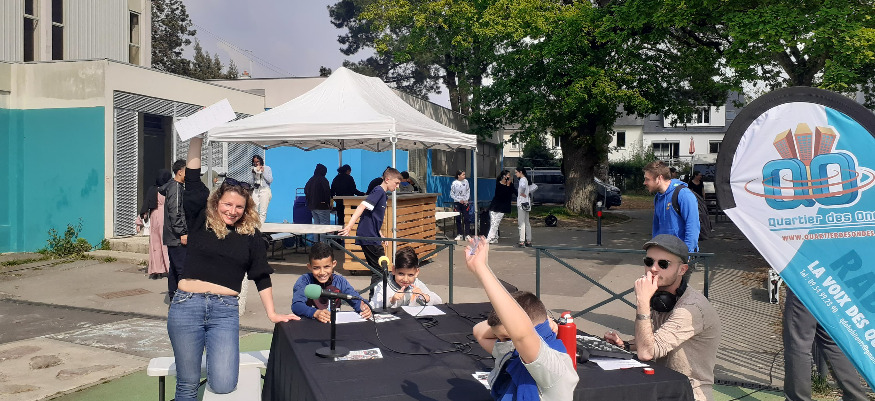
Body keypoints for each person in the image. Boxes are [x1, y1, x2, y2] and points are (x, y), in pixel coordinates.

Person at [167, 137, 298, 401]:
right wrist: (196, 139)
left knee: (224, 384)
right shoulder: (201, 220)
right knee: (187, 384)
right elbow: (192, 177)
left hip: (224, 312)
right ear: (217, 202)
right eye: (227, 204)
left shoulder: (251, 236)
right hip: (186, 306)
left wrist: (272, 313)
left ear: (247, 208)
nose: (233, 211)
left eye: (239, 206)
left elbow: (261, 275)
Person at [603, 234, 720, 401]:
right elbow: (654, 339)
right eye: (649, 261)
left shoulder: (691, 308)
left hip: (689, 392)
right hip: (663, 384)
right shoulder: (659, 296)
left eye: (663, 264)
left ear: (682, 270)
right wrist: (626, 345)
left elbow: (647, 353)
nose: (653, 268)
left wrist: (642, 302)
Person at [466, 237, 579, 399]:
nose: (501, 343)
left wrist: (481, 269)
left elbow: (521, 335)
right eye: (500, 338)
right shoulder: (512, 352)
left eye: (507, 338)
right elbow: (479, 332)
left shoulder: (553, 368)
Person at [783, 289, 868, 401]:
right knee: (831, 342)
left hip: (805, 284)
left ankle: (798, 398)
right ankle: (855, 397)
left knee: (798, 343)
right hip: (830, 289)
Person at [339, 167, 402, 299]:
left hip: (373, 235)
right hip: (368, 236)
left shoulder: (383, 194)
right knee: (380, 270)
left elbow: (372, 216)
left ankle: (376, 297)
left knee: (379, 269)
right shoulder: (378, 191)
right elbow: (362, 206)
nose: (397, 187)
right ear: (387, 179)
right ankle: (374, 298)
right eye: (396, 183)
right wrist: (349, 226)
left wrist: (380, 234)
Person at [291, 242, 372, 322]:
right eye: (316, 268)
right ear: (309, 266)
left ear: (334, 264)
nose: (322, 272)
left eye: (326, 267)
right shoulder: (305, 281)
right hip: (310, 325)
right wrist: (314, 313)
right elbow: (296, 306)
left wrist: (364, 308)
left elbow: (356, 299)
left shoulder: (340, 281)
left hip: (333, 324)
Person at [643, 161, 700, 253]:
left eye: (647, 179)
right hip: (664, 252)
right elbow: (656, 227)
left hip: (681, 254)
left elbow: (692, 226)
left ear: (659, 178)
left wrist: (687, 254)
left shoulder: (684, 194)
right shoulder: (658, 197)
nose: (644, 183)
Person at [371, 246, 442, 309]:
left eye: (410, 275)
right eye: (401, 274)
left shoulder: (416, 284)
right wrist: (392, 300)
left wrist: (424, 296)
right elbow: (373, 305)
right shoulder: (384, 285)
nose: (405, 279)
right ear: (393, 270)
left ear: (416, 272)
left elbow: (439, 301)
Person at [161, 159, 188, 300]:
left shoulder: (175, 186)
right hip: (176, 237)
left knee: (175, 269)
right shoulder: (176, 188)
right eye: (187, 171)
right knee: (182, 269)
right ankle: (181, 298)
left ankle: (174, 297)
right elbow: (175, 212)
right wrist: (182, 232)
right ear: (180, 172)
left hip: (173, 236)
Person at [140, 169, 172, 280]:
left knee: (155, 244)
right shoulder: (168, 189)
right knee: (166, 243)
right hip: (166, 216)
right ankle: (168, 268)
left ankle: (156, 270)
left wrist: (140, 220)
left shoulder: (152, 189)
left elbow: (146, 205)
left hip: (154, 216)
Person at [304, 163, 332, 242]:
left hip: (312, 207)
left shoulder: (311, 179)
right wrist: (327, 203)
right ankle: (324, 245)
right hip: (322, 206)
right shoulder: (323, 180)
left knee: (316, 226)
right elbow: (327, 192)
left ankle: (316, 243)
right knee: (324, 227)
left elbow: (305, 190)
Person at [487, 170, 515, 244]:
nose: (509, 177)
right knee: (493, 222)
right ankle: (494, 237)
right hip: (495, 205)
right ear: (504, 176)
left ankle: (489, 238)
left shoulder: (510, 185)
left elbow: (511, 194)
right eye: (508, 175)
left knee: (496, 222)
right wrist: (506, 185)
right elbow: (500, 195)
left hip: (503, 206)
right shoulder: (499, 184)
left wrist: (508, 185)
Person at [450, 170, 472, 241]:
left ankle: (467, 234)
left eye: (464, 174)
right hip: (457, 203)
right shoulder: (454, 183)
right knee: (458, 218)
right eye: (463, 175)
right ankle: (460, 234)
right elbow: (452, 194)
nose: (464, 176)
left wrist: (466, 199)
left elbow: (468, 191)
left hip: (465, 202)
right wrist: (459, 200)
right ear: (458, 175)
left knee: (466, 218)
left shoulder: (466, 182)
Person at [251, 155, 273, 224]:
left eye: (257, 161)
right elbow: (251, 181)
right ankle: (254, 224)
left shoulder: (267, 168)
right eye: (254, 162)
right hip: (256, 189)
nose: (256, 163)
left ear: (260, 161)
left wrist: (263, 172)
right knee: (254, 208)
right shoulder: (253, 169)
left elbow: (270, 180)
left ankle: (260, 225)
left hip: (264, 189)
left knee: (263, 210)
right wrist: (254, 173)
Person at [515, 166, 532, 248]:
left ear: (520, 172)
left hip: (521, 203)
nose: (516, 174)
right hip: (526, 203)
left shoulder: (522, 180)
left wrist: (521, 193)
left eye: (516, 172)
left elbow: (522, 188)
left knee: (521, 223)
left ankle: (522, 241)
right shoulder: (526, 179)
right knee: (527, 222)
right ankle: (528, 240)